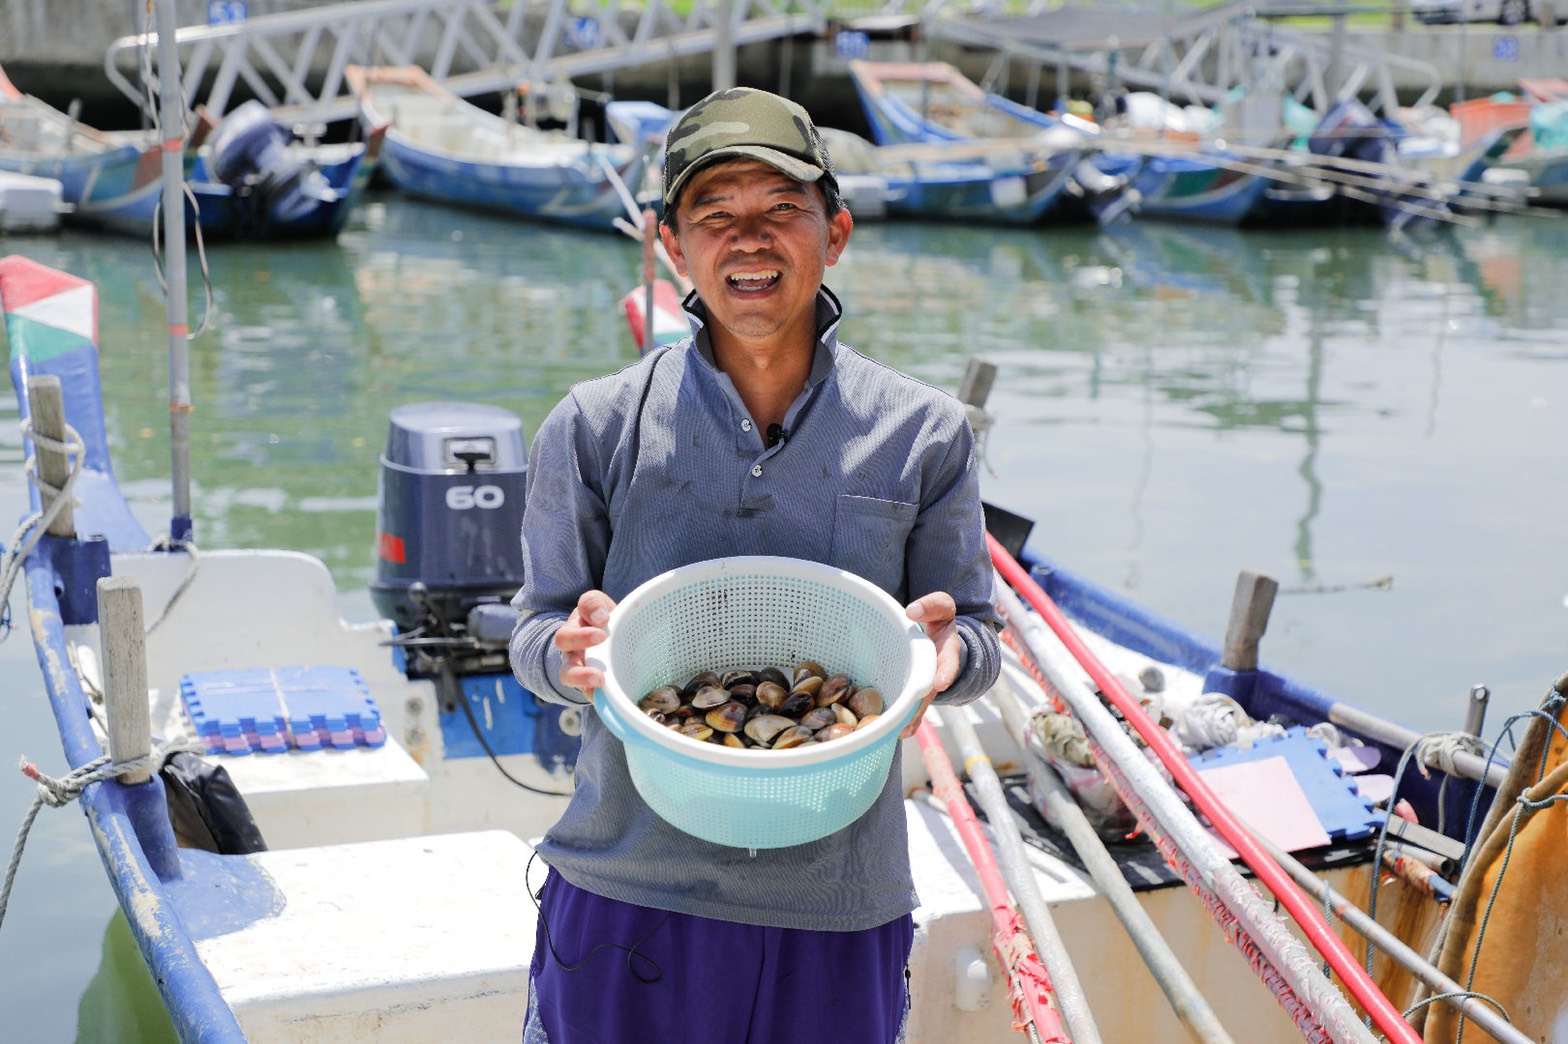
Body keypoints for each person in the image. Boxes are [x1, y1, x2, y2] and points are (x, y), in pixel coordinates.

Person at [509, 86, 1001, 1043]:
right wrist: (563, 651)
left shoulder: (924, 433)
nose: (751, 239)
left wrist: (951, 656)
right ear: (671, 245)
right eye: (716, 216)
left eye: (782, 210)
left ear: (837, 231)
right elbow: (533, 630)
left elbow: (976, 636)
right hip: (626, 885)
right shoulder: (594, 424)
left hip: (836, 900)